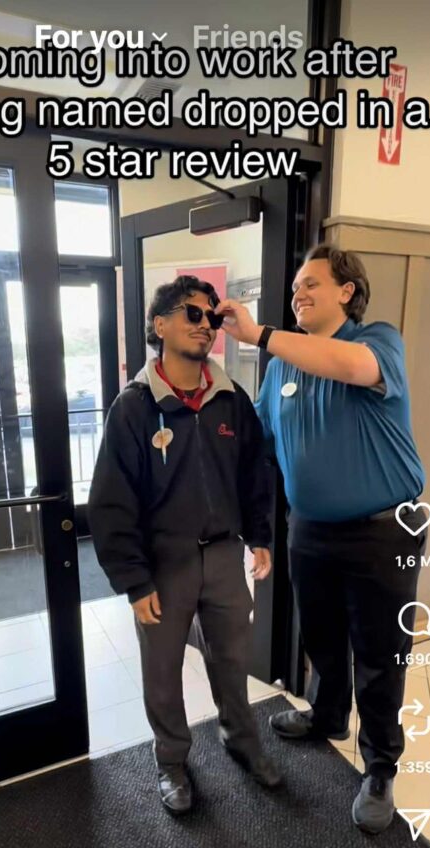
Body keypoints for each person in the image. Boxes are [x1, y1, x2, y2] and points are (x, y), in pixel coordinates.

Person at [213, 245, 427, 835]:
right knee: (324, 639)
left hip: (384, 531)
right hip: (309, 528)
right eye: (295, 286)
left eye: (311, 284)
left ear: (347, 292)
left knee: (380, 654)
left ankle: (380, 765)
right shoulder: (282, 365)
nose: (298, 292)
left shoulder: (379, 341)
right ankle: (328, 716)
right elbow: (252, 436)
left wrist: (260, 334)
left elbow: (349, 366)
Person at [88, 274, 282, 814]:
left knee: (231, 658)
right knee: (163, 668)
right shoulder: (132, 408)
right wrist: (133, 579)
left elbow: (255, 472)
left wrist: (260, 536)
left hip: (223, 556)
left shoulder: (230, 400)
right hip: (163, 562)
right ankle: (172, 760)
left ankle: (241, 740)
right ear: (160, 325)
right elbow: (110, 501)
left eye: (212, 317)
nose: (205, 325)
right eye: (192, 314)